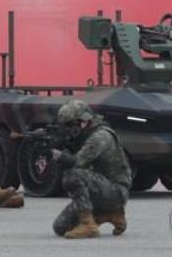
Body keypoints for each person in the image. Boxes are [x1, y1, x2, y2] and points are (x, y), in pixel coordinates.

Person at [51, 100, 132, 239]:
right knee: (60, 227)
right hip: (99, 190)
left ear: (83, 121)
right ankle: (111, 214)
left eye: (70, 125)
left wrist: (59, 155)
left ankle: (88, 225)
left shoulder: (100, 136)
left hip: (116, 191)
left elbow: (77, 162)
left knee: (72, 175)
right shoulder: (85, 135)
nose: (68, 129)